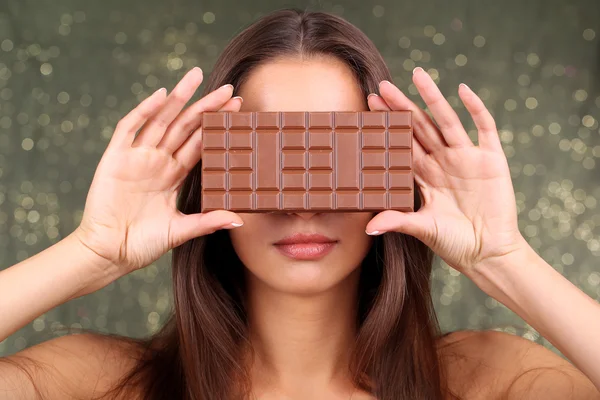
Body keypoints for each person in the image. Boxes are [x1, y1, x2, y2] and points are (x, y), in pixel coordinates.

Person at [0, 7, 598, 400]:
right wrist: (90, 251)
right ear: (209, 174)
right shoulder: (100, 385)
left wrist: (505, 258)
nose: (303, 205)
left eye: (342, 157)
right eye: (263, 159)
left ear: (394, 165)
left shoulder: (492, 382)